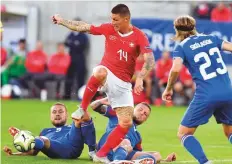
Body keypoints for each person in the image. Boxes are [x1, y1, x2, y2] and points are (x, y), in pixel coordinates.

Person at [52, 3, 155, 162]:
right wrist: (62, 21)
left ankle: (101, 154)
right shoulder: (109, 29)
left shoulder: (139, 36)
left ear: (126, 19)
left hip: (123, 84)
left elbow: (150, 60)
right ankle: (82, 108)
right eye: (111, 18)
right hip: (107, 74)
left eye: (116, 19)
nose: (112, 22)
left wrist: (140, 77)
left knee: (125, 124)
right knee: (99, 72)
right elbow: (84, 27)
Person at [162, 15, 232, 164]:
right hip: (228, 91)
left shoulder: (181, 47)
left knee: (183, 133)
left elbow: (175, 69)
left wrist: (168, 88)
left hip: (206, 94)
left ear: (176, 30)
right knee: (230, 132)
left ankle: (205, 162)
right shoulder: (212, 39)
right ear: (194, 26)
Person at [90, 98, 176, 164]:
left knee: (156, 155)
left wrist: (165, 160)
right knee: (125, 141)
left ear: (145, 120)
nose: (142, 113)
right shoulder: (119, 114)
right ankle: (117, 161)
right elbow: (93, 106)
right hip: (107, 147)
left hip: (122, 151)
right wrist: (103, 100)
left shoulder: (137, 137)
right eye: (140, 109)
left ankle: (130, 162)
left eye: (145, 114)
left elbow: (138, 153)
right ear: (133, 109)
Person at [3, 102, 96, 159]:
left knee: (81, 116)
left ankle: (93, 152)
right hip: (55, 149)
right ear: (50, 116)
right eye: (54, 112)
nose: (57, 114)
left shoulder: (72, 127)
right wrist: (14, 154)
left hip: (72, 145)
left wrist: (101, 149)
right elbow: (33, 152)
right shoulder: (45, 131)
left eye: (61, 112)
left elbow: (90, 139)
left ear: (66, 115)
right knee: (43, 139)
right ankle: (23, 136)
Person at [64, 17, 89, 100]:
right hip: (70, 59)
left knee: (80, 79)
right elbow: (66, 43)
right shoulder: (70, 34)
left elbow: (82, 46)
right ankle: (67, 96)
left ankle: (80, 97)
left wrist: (73, 44)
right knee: (68, 79)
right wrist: (75, 44)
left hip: (80, 59)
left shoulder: (83, 36)